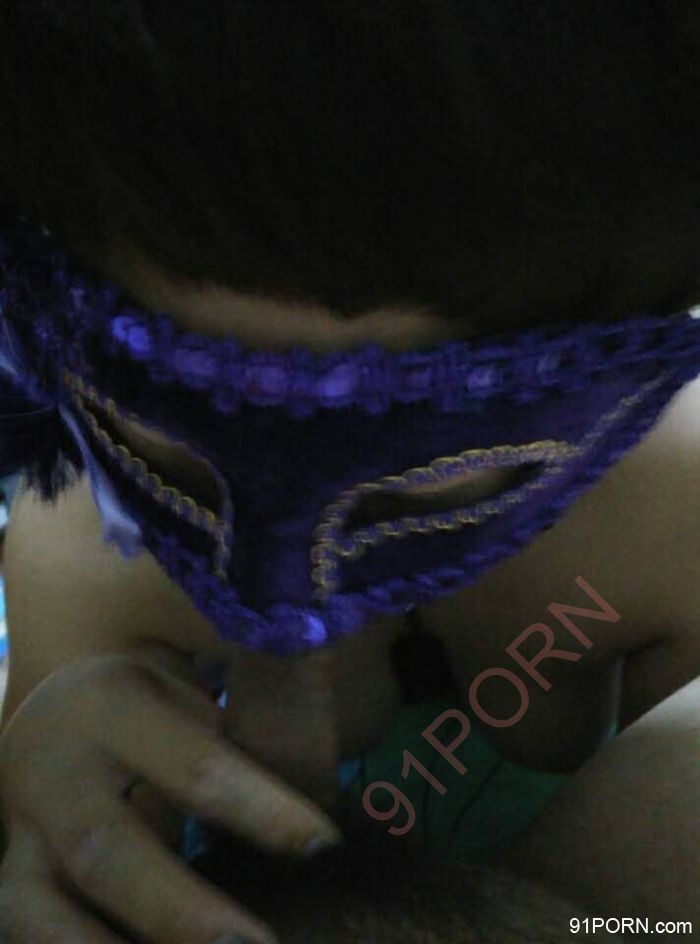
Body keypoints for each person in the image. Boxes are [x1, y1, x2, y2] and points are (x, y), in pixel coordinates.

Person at [0, 2, 699, 941]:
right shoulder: (80, 568)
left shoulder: (675, 524)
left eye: (420, 465)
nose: (284, 613)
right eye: (177, 460)